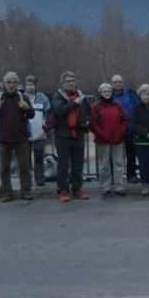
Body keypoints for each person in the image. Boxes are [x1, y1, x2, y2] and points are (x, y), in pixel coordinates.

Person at [0, 71, 35, 202]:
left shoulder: (23, 97)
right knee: (4, 168)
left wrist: (26, 108)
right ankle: (6, 192)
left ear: (18, 84)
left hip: (21, 139)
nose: (12, 85)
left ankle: (26, 191)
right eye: (9, 82)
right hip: (3, 139)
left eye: (14, 82)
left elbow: (32, 115)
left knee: (24, 167)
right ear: (4, 84)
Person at [51, 71, 91, 202]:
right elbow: (59, 110)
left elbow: (88, 111)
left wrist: (86, 121)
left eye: (73, 81)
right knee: (63, 164)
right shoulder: (58, 96)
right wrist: (74, 103)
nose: (71, 83)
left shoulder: (81, 96)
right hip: (63, 135)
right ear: (63, 83)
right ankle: (63, 190)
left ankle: (77, 189)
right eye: (68, 81)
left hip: (78, 134)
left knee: (78, 164)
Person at [90, 83, 130, 196]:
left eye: (109, 91)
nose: (107, 93)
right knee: (104, 165)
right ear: (100, 93)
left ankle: (119, 186)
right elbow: (93, 123)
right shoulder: (96, 106)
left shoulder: (118, 105)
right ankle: (105, 186)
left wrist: (121, 132)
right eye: (104, 91)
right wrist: (101, 134)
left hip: (117, 139)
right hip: (102, 139)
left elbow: (125, 120)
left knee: (118, 164)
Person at [111, 75, 140, 184]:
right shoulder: (109, 95)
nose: (117, 84)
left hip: (130, 129)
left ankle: (131, 175)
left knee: (131, 154)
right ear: (112, 83)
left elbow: (137, 107)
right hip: (115, 130)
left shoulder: (130, 93)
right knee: (114, 156)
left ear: (122, 82)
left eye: (119, 82)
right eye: (115, 82)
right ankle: (115, 177)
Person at [24, 74, 50, 186]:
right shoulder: (21, 97)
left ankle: (39, 178)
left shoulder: (43, 98)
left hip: (40, 133)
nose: (29, 87)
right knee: (26, 158)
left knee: (39, 157)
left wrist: (46, 122)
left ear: (36, 85)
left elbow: (48, 112)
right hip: (25, 133)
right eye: (27, 85)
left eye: (32, 85)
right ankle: (27, 179)